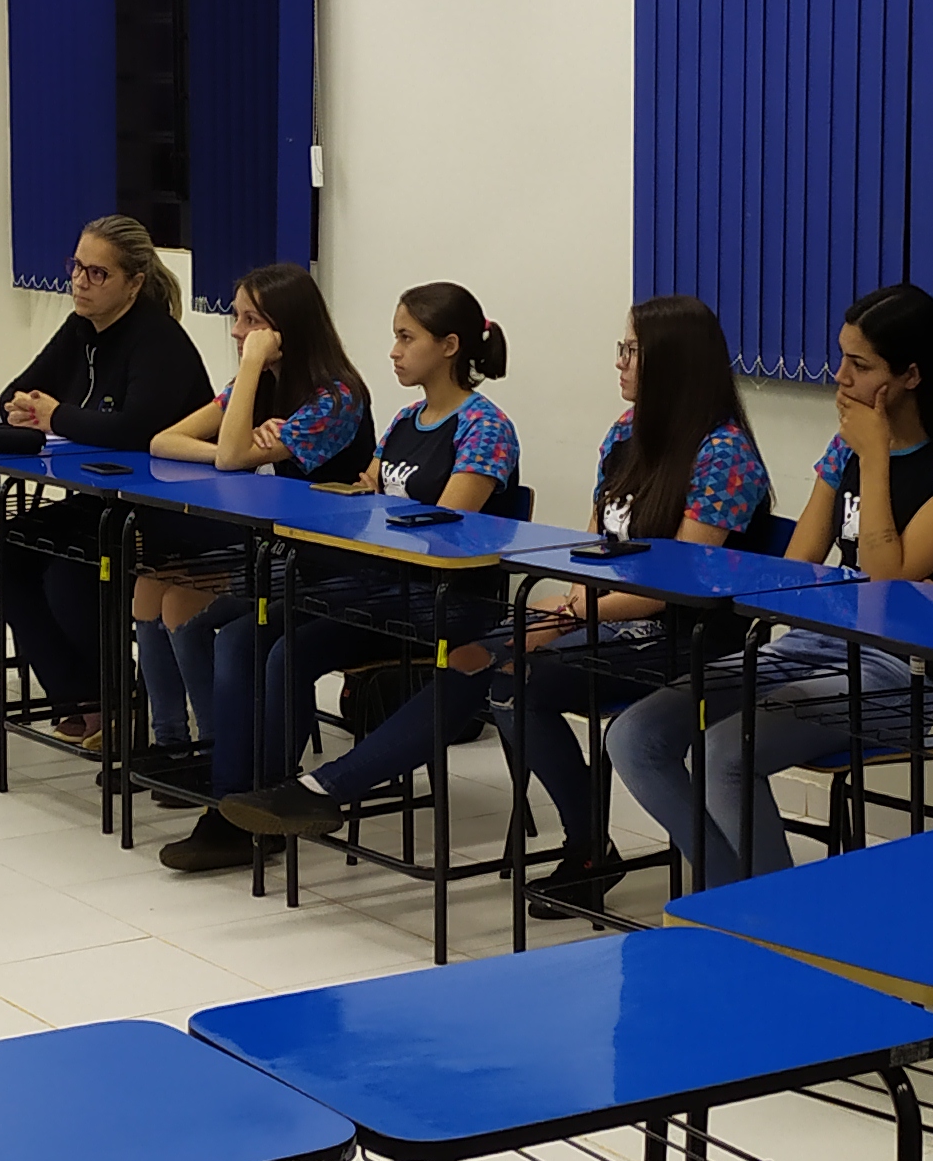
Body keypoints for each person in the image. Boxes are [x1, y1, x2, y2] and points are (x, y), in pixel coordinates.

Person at [604, 283, 933, 888]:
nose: (840, 377)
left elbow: (885, 583)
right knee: (635, 735)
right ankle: (731, 895)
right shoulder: (845, 447)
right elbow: (797, 568)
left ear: (911, 375)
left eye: (861, 365)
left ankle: (774, 917)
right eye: (842, 357)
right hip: (814, 644)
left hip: (903, 670)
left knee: (726, 753)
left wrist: (875, 459)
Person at [213, 283, 522, 851]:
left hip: (449, 600)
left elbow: (444, 529)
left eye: (406, 338)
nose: (394, 351)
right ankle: (240, 800)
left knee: (283, 648)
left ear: (450, 346)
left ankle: (275, 802)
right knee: (257, 640)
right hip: (385, 587)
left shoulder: (485, 427)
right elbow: (368, 495)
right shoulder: (405, 420)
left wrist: (373, 505)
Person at [502, 296, 774, 921]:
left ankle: (683, 871)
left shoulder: (723, 454)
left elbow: (679, 585)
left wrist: (572, 615)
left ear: (674, 363)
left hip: (692, 635)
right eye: (621, 349)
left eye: (633, 351)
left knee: (520, 673)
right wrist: (564, 609)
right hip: (614, 620)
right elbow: (591, 546)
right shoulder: (625, 432)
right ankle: (589, 843)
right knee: (492, 659)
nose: (619, 363)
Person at [131, 264, 374, 872]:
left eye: (251, 321)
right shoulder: (256, 385)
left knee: (227, 630)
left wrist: (240, 434)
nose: (238, 331)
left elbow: (235, 456)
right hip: (275, 552)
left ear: (286, 329)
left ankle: (238, 786)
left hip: (330, 564)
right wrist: (237, 435)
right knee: (157, 586)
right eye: (238, 318)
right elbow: (165, 441)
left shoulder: (336, 398)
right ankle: (206, 760)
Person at [0, 216, 214, 747]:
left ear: (133, 282)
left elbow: (135, 430)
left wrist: (55, 415)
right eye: (77, 267)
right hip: (102, 499)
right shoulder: (81, 327)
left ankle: (117, 701)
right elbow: (17, 391)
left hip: (164, 509)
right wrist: (23, 408)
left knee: (69, 573)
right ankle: (81, 698)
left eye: (97, 273)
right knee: (1, 551)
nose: (80, 283)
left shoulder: (158, 339)